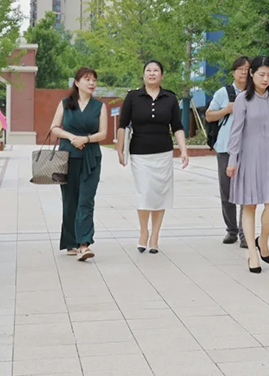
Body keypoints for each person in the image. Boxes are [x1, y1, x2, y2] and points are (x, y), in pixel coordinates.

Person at [225, 56, 269, 274]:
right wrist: (232, 161)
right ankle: (252, 254)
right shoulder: (243, 100)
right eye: (261, 74)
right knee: (249, 205)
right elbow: (235, 132)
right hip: (247, 159)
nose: (265, 79)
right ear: (252, 74)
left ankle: (262, 240)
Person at [117, 60, 189, 254]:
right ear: (143, 75)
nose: (152, 73)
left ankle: (155, 235)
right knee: (145, 193)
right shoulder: (133, 97)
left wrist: (183, 150)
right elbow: (123, 124)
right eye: (148, 70)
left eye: (156, 70)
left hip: (163, 153)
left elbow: (177, 127)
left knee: (160, 195)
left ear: (162, 75)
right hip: (140, 153)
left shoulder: (170, 98)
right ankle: (143, 231)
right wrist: (120, 149)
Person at [50, 67, 107, 262]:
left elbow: (103, 133)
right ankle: (71, 242)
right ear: (76, 82)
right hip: (67, 156)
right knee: (70, 200)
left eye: (94, 80)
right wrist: (72, 137)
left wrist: (86, 139)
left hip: (91, 158)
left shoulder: (100, 106)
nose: (92, 83)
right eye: (87, 79)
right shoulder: (65, 104)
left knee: (86, 200)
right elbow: (54, 128)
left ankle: (84, 244)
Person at [206, 56, 249, 247]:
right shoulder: (223, 92)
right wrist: (226, 110)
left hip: (249, 148)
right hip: (225, 148)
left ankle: (245, 233)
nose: (244, 72)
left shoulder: (256, 93)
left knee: (247, 191)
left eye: (247, 69)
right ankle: (231, 230)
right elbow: (209, 116)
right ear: (233, 72)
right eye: (240, 69)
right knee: (227, 190)